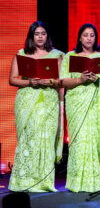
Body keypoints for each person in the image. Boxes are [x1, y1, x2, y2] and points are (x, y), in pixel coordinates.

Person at [60, 23, 100, 192]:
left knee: (93, 139)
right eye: (85, 35)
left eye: (92, 35)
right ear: (79, 38)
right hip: (76, 103)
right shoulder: (70, 56)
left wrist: (97, 79)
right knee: (79, 140)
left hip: (96, 104)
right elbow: (63, 81)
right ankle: (77, 181)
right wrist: (81, 80)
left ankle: (93, 180)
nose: (89, 38)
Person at [8, 21, 64, 192]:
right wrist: (29, 82)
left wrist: (52, 83)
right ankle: (23, 181)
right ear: (32, 36)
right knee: (29, 139)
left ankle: (44, 182)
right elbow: (13, 79)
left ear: (47, 36)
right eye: (37, 34)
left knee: (45, 139)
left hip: (48, 101)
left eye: (43, 33)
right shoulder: (22, 53)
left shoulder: (57, 55)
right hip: (27, 100)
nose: (40, 37)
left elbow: (61, 81)